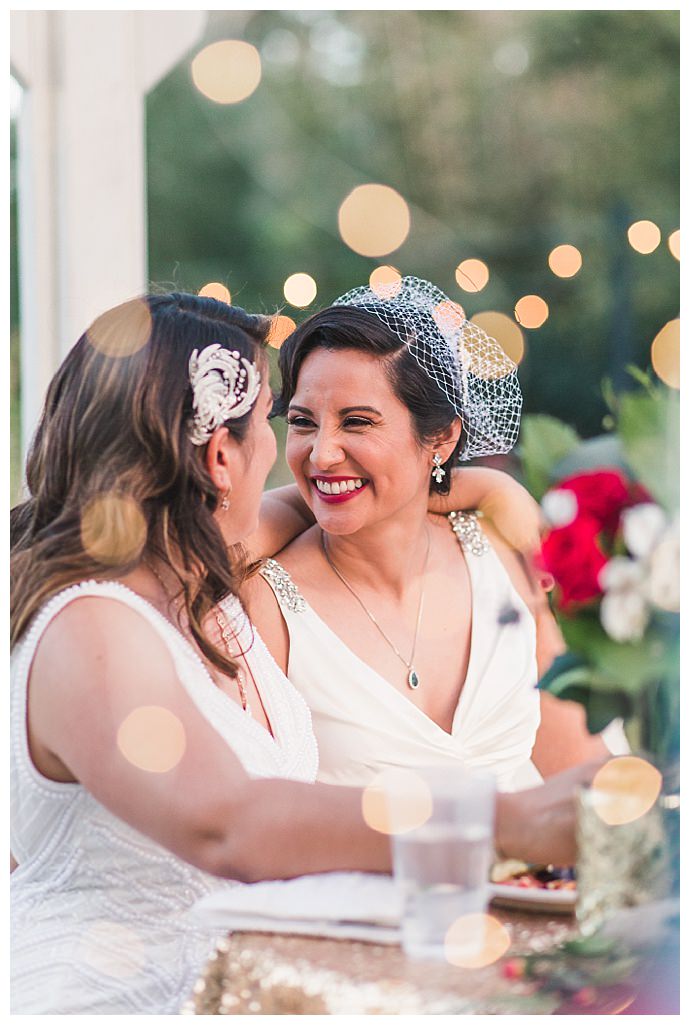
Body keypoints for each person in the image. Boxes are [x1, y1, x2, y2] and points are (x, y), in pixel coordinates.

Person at [10, 291, 601, 1014]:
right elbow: (233, 822)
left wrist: (463, 486)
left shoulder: (193, 594)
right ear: (221, 454)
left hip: (254, 993)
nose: (300, 458)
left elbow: (303, 505)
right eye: (274, 423)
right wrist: (506, 820)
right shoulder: (93, 627)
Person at [246, 277, 611, 791]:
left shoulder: (501, 559)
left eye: (356, 422)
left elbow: (579, 767)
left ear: (441, 435)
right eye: (303, 422)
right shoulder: (264, 605)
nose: (321, 453)